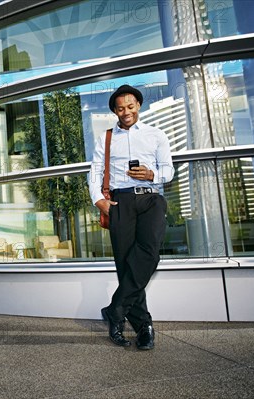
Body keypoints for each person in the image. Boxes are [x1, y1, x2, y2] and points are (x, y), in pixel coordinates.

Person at [89, 84, 174, 350]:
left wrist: (152, 175)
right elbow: (93, 171)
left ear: (138, 105)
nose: (126, 111)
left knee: (148, 254)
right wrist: (99, 200)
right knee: (126, 264)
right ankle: (144, 326)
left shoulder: (155, 134)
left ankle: (115, 311)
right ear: (115, 110)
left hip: (151, 198)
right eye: (120, 108)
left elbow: (168, 170)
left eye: (130, 106)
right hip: (120, 202)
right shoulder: (105, 138)